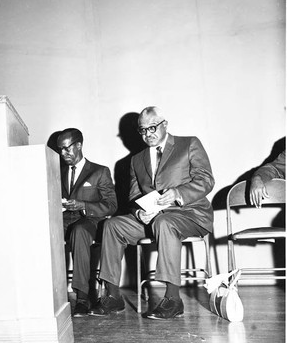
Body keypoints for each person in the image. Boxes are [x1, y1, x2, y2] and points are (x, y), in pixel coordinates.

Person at [90, 106, 214, 319]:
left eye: (152, 128)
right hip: (155, 217)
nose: (148, 134)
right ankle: (112, 296)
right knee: (112, 225)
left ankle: (173, 299)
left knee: (164, 222)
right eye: (143, 130)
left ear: (165, 124)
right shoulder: (136, 160)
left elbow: (206, 180)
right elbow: (133, 197)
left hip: (191, 214)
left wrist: (178, 192)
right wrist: (139, 213)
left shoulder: (189, 144)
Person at [57, 128, 117, 317]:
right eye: (60, 150)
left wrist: (83, 205)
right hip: (64, 221)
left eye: (67, 149)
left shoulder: (99, 172)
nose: (63, 154)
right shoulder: (57, 173)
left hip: (90, 221)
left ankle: (82, 299)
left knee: (80, 232)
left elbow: (111, 205)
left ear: (79, 145)